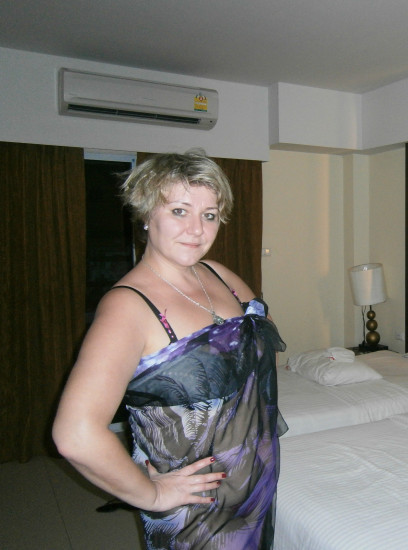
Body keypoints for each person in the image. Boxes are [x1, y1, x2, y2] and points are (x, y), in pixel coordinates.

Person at [53, 150, 287, 549]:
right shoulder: (128, 306)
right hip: (196, 512)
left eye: (209, 215)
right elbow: (76, 434)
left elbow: (261, 340)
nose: (196, 229)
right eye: (180, 211)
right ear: (146, 214)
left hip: (254, 484)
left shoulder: (220, 275)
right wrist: (153, 494)